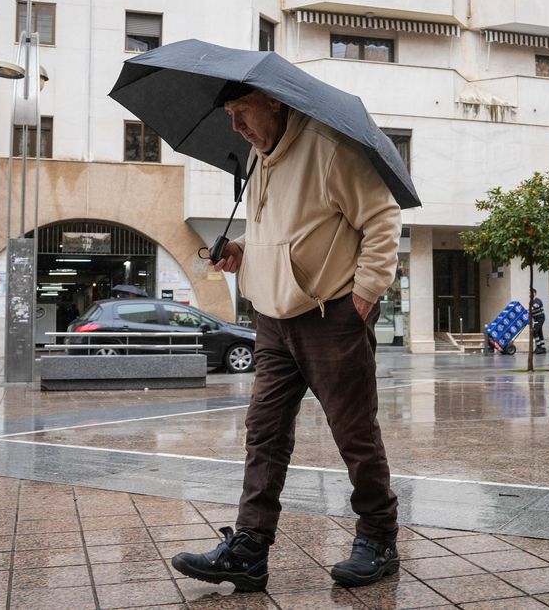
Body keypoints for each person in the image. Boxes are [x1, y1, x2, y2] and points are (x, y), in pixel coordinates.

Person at [171, 83, 401, 591]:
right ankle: (249, 550)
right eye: (228, 114)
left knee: (354, 434)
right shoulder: (258, 157)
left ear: (273, 101)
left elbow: (383, 219)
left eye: (242, 111)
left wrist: (363, 297)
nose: (236, 126)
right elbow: (277, 232)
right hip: (273, 320)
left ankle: (379, 537)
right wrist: (241, 248)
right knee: (264, 432)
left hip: (331, 314)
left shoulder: (330, 149)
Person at [529, 288, 546, 354]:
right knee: (539, 333)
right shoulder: (530, 302)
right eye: (529, 293)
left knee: (534, 331)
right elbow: (530, 312)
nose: (530, 294)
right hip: (536, 319)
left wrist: (530, 309)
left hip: (540, 318)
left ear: (535, 293)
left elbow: (535, 306)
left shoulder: (538, 300)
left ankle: (539, 347)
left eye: (531, 293)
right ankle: (543, 348)